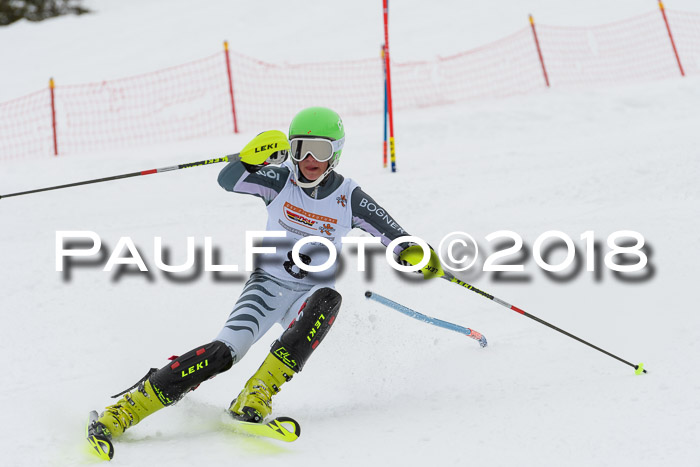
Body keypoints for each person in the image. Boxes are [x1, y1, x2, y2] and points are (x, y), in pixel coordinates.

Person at [87, 107, 442, 445]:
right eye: (300, 149)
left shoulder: (349, 196)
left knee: (329, 299)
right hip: (266, 287)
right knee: (224, 353)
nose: (308, 160)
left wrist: (416, 254)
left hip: (309, 294)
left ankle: (256, 394)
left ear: (335, 153)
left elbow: (392, 233)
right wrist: (249, 156)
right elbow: (229, 180)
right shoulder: (280, 180)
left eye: (319, 150)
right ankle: (124, 411)